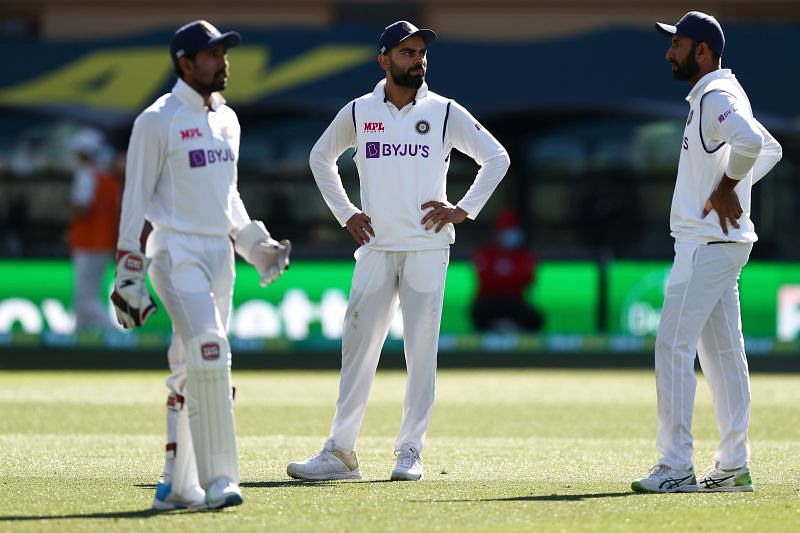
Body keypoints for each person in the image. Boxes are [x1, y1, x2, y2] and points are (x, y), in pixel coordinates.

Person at [287, 20, 510, 481]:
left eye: (421, 53)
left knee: (421, 350)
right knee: (358, 349)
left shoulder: (445, 112)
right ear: (384, 59)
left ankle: (410, 451)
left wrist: (463, 209)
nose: (418, 61)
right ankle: (341, 453)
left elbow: (497, 157)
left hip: (427, 246)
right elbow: (319, 157)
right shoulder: (359, 111)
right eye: (407, 53)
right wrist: (346, 213)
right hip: (375, 246)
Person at [111, 20, 291, 510]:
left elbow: (226, 196)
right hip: (173, 252)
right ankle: (219, 481)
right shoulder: (157, 119)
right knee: (210, 351)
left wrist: (257, 246)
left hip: (219, 254)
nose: (222, 62)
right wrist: (127, 269)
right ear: (185, 63)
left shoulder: (227, 120)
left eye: (223, 54)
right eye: (211, 55)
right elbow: (135, 198)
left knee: (194, 367)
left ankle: (176, 486)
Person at [632, 11, 782, 493]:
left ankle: (676, 467)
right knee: (723, 357)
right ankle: (734, 465)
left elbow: (756, 142)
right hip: (719, 244)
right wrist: (729, 188)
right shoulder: (719, 94)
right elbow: (772, 149)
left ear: (702, 51)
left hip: (705, 244)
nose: (668, 51)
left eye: (677, 44)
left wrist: (727, 188)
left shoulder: (716, 95)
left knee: (672, 347)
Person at [68, 127, 121, 332]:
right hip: (104, 243)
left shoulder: (86, 175)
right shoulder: (109, 179)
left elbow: (83, 208)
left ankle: (112, 333)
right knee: (86, 294)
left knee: (85, 296)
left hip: (87, 242)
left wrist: (67, 204)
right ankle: (78, 335)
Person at [471, 210, 543, 332]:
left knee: (535, 318)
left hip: (514, 301)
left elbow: (528, 279)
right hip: (489, 301)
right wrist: (509, 279)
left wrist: (502, 279)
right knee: (479, 311)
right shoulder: (486, 253)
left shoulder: (525, 256)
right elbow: (485, 279)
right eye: (506, 230)